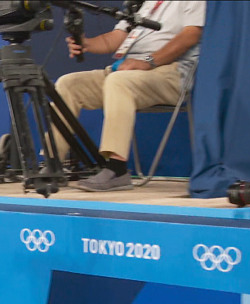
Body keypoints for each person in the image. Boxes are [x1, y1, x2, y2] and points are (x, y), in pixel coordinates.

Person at [50, 1, 205, 192]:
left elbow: (192, 35)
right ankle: (52, 164)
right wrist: (87, 43)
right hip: (129, 71)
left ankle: (117, 169)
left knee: (119, 81)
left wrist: (148, 61)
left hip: (171, 73)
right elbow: (116, 39)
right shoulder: (142, 3)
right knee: (69, 84)